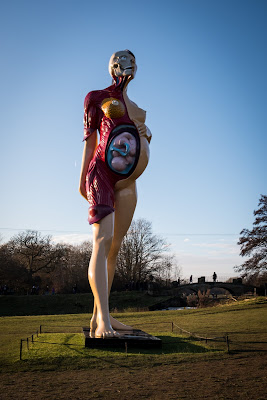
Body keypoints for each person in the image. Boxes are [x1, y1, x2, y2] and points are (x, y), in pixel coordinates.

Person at [79, 50, 151, 338]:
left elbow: (135, 139)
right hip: (102, 174)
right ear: (113, 66)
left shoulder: (135, 108)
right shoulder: (96, 97)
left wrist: (145, 133)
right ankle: (103, 325)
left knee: (115, 248)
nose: (125, 64)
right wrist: (82, 179)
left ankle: (102, 317)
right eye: (120, 60)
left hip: (128, 181)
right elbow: (90, 140)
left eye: (130, 60)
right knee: (102, 240)